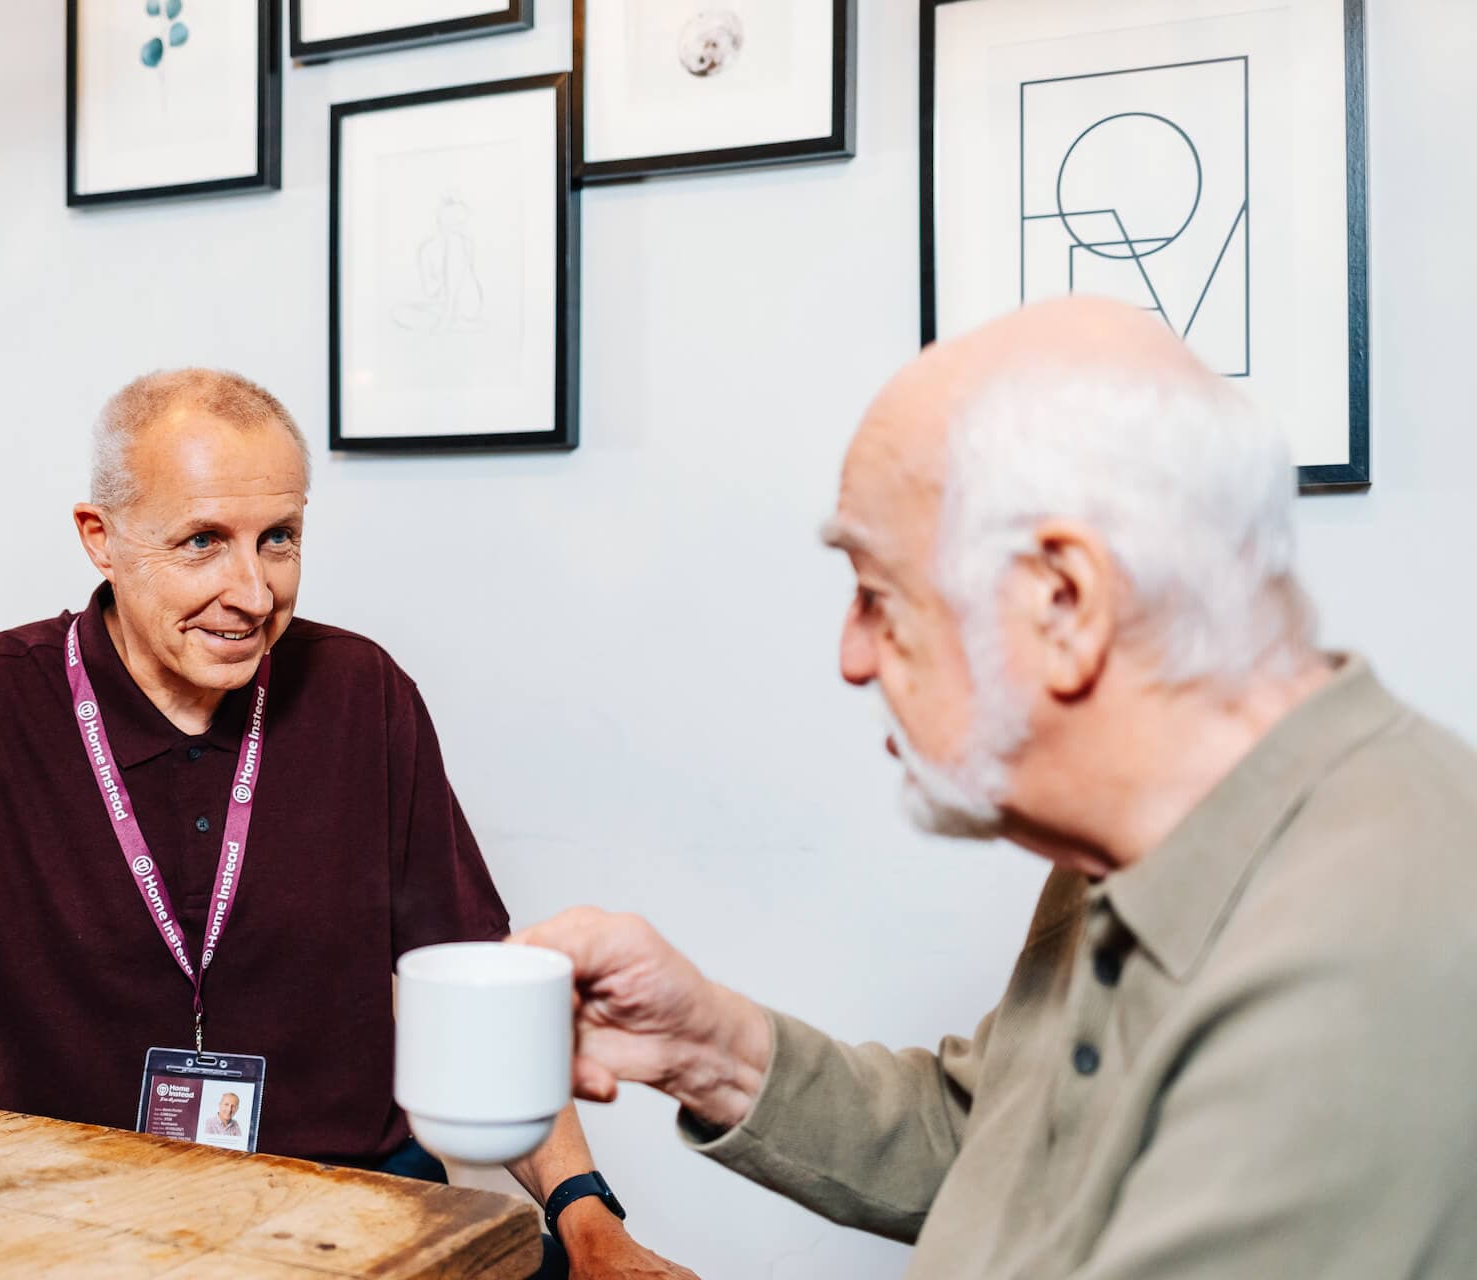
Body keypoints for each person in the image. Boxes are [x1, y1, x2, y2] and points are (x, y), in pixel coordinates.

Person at [0, 370, 690, 1280]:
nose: (252, 590)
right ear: (100, 536)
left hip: (353, 1215)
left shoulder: (364, 696)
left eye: (280, 537)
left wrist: (588, 1216)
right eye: (203, 540)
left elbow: (481, 986)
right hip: (71, 1227)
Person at [515, 298, 1477, 1278]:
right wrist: (705, 1045)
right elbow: (1011, 1145)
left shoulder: (1363, 954)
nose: (852, 656)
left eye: (878, 595)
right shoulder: (1135, 841)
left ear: (1065, 601)